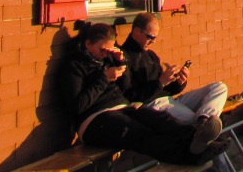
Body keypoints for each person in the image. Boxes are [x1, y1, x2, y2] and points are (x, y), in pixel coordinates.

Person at [58, 22, 223, 164]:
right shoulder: (73, 66)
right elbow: (77, 106)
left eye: (109, 50)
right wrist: (104, 78)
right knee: (140, 133)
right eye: (102, 50)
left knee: (161, 120)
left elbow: (125, 87)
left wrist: (121, 63)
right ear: (88, 44)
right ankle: (192, 157)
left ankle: (197, 136)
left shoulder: (107, 59)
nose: (105, 54)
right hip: (94, 120)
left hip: (122, 108)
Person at [120, 12, 229, 142]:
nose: (153, 41)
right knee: (195, 123)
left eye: (155, 37)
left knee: (219, 87)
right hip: (153, 105)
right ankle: (203, 129)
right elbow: (130, 96)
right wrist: (160, 82)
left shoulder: (151, 56)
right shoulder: (125, 58)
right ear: (137, 32)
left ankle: (203, 120)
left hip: (169, 100)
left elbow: (167, 90)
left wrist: (179, 82)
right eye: (150, 37)